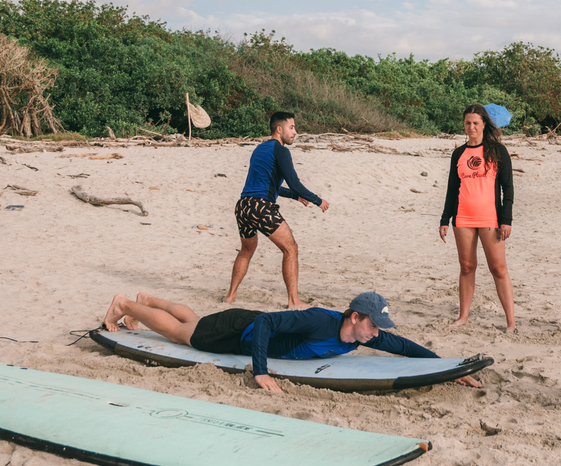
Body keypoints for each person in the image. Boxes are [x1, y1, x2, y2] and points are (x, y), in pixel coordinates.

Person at [101, 291, 482, 393]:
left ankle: (147, 301)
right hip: (238, 331)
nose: (377, 332)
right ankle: (125, 304)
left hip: (237, 323)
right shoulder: (320, 320)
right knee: (179, 334)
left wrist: (444, 368)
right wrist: (260, 372)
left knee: (195, 320)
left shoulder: (362, 334)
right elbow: (266, 322)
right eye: (374, 324)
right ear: (354, 317)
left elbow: (404, 348)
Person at [225, 111, 329, 308]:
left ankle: (230, 296)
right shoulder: (281, 150)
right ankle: (293, 301)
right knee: (291, 249)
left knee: (246, 250)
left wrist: (294, 196)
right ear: (279, 129)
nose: (295, 132)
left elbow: (271, 185)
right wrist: (317, 200)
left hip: (243, 206)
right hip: (261, 207)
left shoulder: (259, 149)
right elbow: (295, 183)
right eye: (291, 128)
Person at [439, 104, 516, 331]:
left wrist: (506, 220)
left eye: (475, 123)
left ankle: (511, 322)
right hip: (462, 217)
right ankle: (463, 316)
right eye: (467, 123)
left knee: (498, 269)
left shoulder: (497, 151)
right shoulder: (458, 153)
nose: (471, 127)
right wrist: (445, 219)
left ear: (484, 124)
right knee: (466, 267)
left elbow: (508, 189)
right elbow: (452, 189)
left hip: (491, 218)